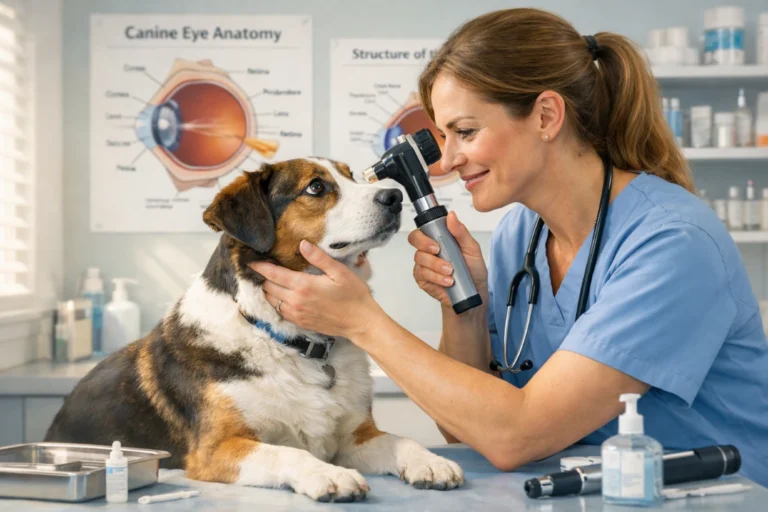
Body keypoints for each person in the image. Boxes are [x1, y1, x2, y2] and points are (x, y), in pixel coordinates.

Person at [250, 8, 768, 487]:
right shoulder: (523, 233)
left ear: (545, 117)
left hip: (714, 496)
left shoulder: (673, 243)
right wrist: (466, 308)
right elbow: (467, 431)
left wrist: (362, 322)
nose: (448, 160)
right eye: (443, 137)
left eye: (466, 132)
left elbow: (515, 436)